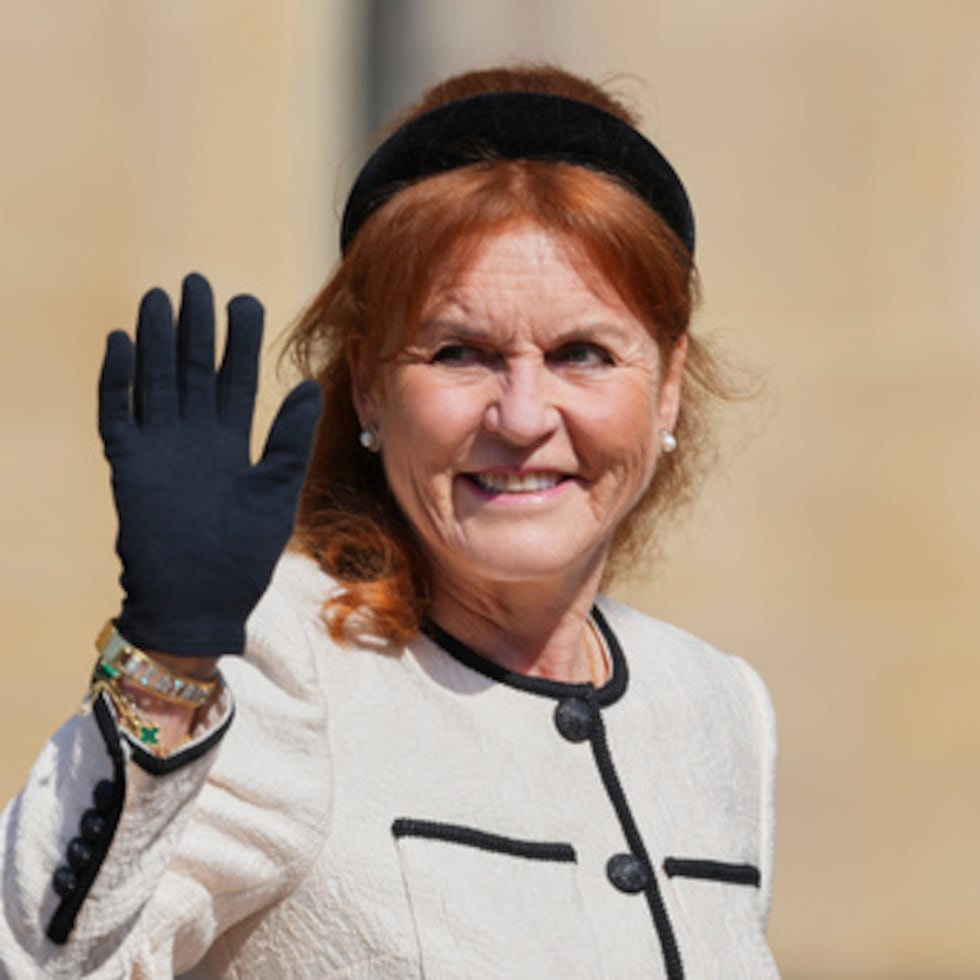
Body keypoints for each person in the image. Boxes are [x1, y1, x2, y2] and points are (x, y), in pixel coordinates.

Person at [0, 65, 778, 978]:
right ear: (368, 381)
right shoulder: (281, 659)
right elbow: (42, 959)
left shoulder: (720, 706)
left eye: (582, 353)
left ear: (670, 382)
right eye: (460, 353)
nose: (522, 417)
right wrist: (166, 668)